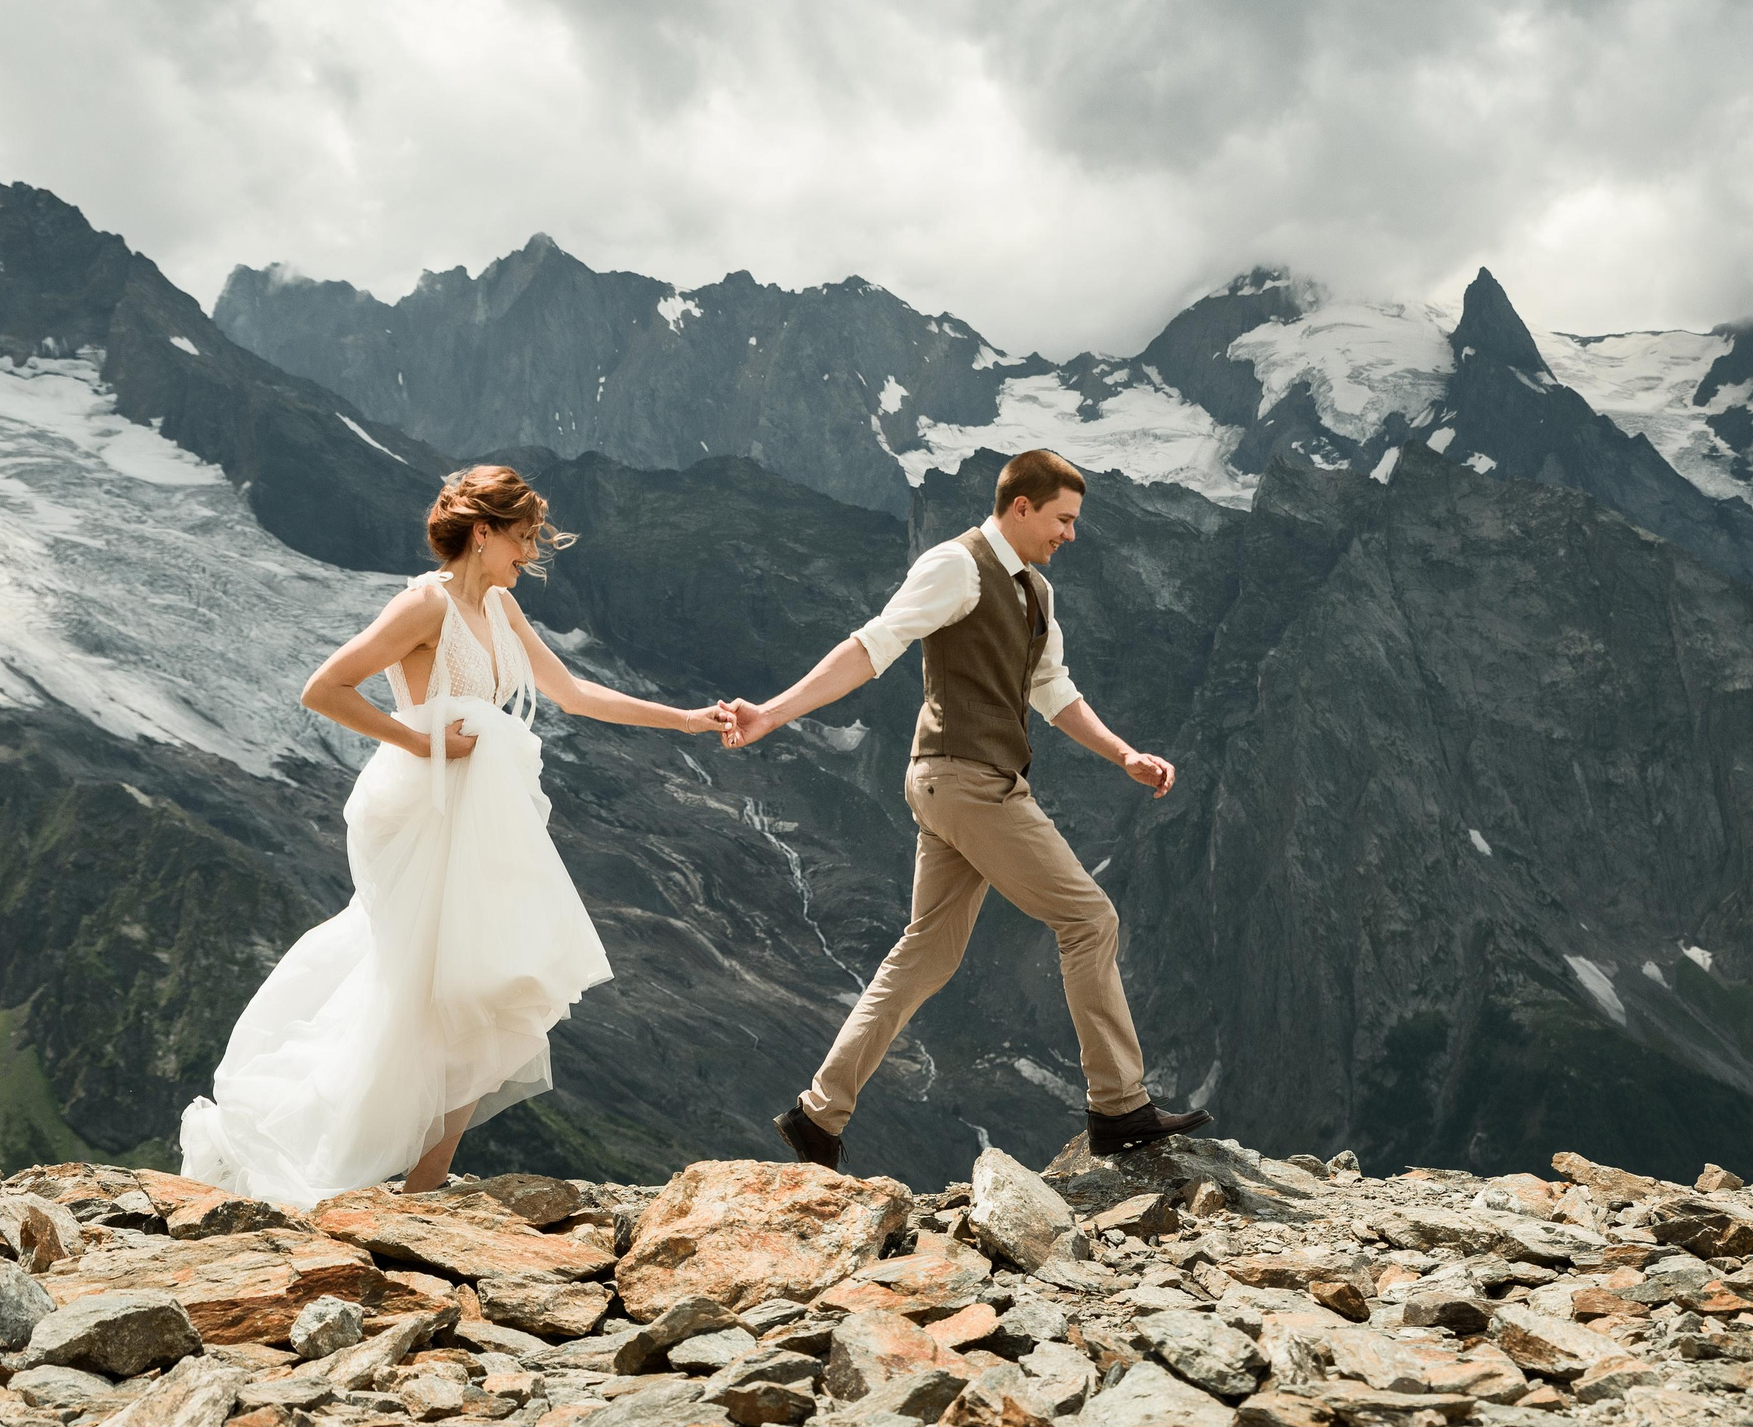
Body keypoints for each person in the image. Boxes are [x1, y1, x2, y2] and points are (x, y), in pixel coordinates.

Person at [180, 466, 731, 1203]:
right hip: (422, 806)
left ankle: (425, 1184)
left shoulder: (501, 608)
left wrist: (688, 719)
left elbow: (573, 693)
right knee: (424, 988)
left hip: (482, 812)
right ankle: (334, 1156)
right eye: (522, 538)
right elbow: (325, 687)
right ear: (483, 531)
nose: (529, 555)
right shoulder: (424, 604)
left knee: (485, 981)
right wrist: (422, 743)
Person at [725, 447, 1211, 1169]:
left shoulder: (1036, 594)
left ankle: (818, 1114)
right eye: (1062, 519)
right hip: (968, 782)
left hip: (956, 783)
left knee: (927, 950)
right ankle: (1118, 1106)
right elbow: (872, 644)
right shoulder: (956, 565)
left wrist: (1124, 754)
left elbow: (1053, 692)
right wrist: (773, 711)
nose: (1070, 534)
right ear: (1021, 506)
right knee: (1089, 918)